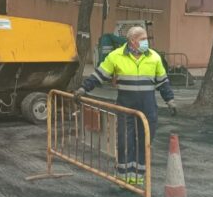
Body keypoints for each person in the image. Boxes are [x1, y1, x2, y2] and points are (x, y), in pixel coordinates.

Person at [75, 25, 176, 186]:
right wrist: (83, 88)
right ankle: (123, 176)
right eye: (142, 39)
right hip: (125, 106)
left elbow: (163, 82)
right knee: (125, 141)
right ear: (132, 41)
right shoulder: (115, 56)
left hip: (148, 107)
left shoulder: (154, 57)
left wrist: (170, 100)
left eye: (146, 39)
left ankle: (138, 176)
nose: (146, 43)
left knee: (145, 141)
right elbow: (99, 75)